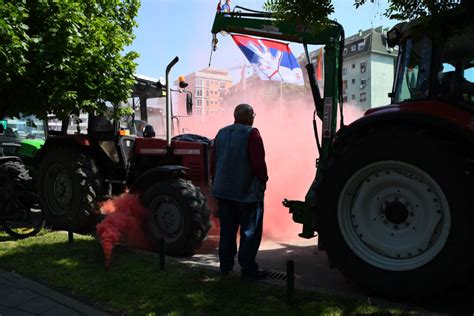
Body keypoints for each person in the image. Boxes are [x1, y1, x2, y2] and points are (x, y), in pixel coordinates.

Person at [211, 103, 268, 280]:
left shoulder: (221, 132)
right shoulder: (252, 133)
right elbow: (258, 164)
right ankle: (248, 270)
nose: (254, 118)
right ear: (249, 116)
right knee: (249, 232)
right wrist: (263, 181)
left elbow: (214, 162)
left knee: (227, 231)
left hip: (224, 192)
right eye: (253, 114)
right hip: (246, 194)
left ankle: (226, 268)